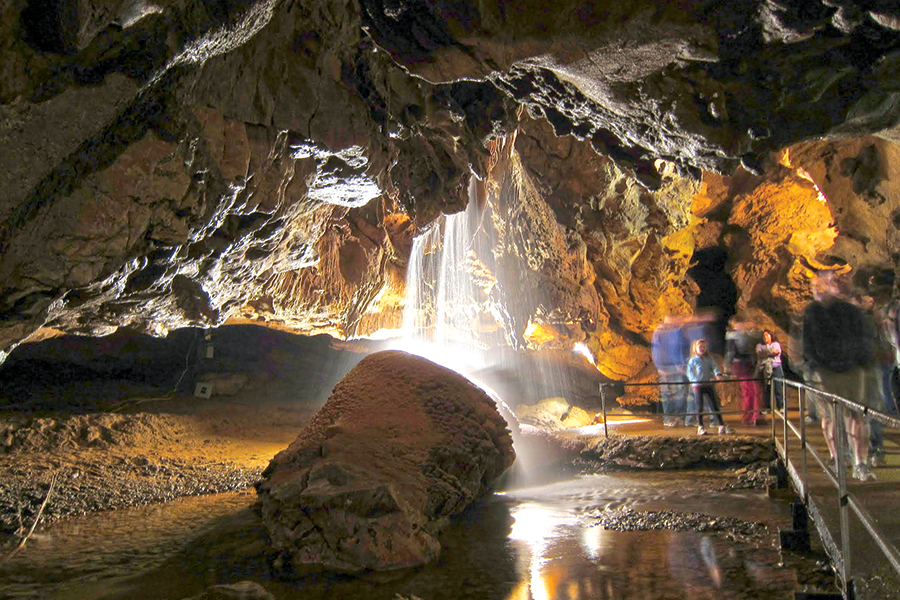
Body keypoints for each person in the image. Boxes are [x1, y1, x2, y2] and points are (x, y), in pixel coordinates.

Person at [802, 271, 876, 481]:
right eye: (815, 285)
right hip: (827, 371)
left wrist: (861, 364)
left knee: (857, 415)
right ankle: (837, 457)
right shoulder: (812, 312)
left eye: (821, 284)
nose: (816, 289)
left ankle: (859, 462)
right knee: (831, 417)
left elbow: (862, 339)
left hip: (851, 370)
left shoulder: (850, 311)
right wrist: (815, 365)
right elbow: (808, 343)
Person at [687, 338, 733, 435]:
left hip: (708, 384)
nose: (702, 349)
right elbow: (690, 372)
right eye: (700, 347)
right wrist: (694, 380)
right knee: (699, 406)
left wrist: (717, 375)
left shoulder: (709, 359)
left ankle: (721, 425)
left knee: (714, 405)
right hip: (698, 385)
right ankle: (701, 426)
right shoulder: (693, 360)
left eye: (704, 347)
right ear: (696, 348)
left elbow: (715, 367)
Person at [652, 316, 689, 427]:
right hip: (665, 367)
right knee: (667, 393)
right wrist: (660, 366)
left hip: (678, 367)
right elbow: (656, 351)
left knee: (681, 392)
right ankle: (669, 418)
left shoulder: (678, 331)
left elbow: (681, 348)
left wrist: (683, 364)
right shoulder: (658, 333)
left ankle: (680, 416)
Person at [726, 318, 763, 425]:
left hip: (747, 365)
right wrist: (728, 366)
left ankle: (749, 416)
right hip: (742, 365)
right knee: (752, 391)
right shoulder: (736, 336)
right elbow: (730, 352)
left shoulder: (742, 335)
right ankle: (752, 416)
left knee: (750, 391)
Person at [757, 330, 784, 410]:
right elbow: (759, 353)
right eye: (764, 336)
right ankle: (767, 407)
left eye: (767, 335)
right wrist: (770, 352)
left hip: (776, 367)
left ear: (771, 336)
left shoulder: (776, 344)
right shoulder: (759, 345)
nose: (766, 337)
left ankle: (780, 406)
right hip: (765, 368)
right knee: (766, 388)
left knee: (778, 388)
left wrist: (765, 352)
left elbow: (776, 352)